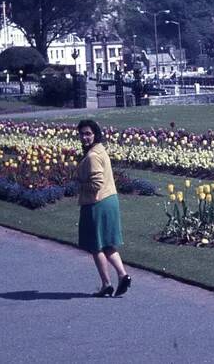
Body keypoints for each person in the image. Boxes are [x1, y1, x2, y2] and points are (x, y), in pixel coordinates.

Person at [75, 119, 131, 298]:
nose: (85, 137)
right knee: (107, 243)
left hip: (96, 203)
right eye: (82, 134)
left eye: (88, 133)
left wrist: (80, 182)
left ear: (95, 134)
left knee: (95, 246)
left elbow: (96, 183)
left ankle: (106, 284)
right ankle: (123, 275)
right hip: (110, 199)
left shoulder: (92, 156)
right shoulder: (100, 150)